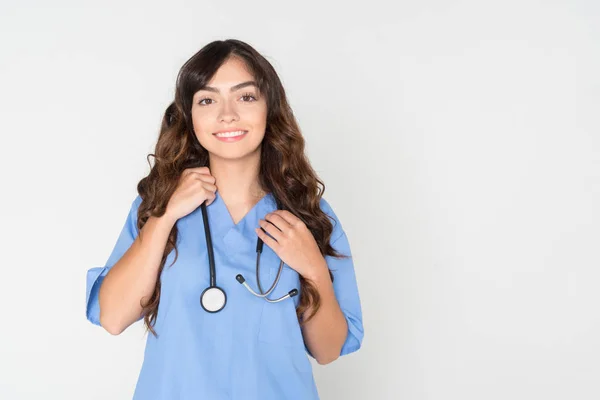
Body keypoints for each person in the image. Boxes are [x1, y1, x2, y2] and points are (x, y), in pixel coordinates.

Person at [85, 39, 364, 400]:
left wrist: (314, 270)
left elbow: (328, 351)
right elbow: (113, 317)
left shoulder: (308, 211)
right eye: (207, 100)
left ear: (270, 109)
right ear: (190, 117)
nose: (227, 114)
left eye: (246, 97)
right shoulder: (158, 203)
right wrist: (165, 216)